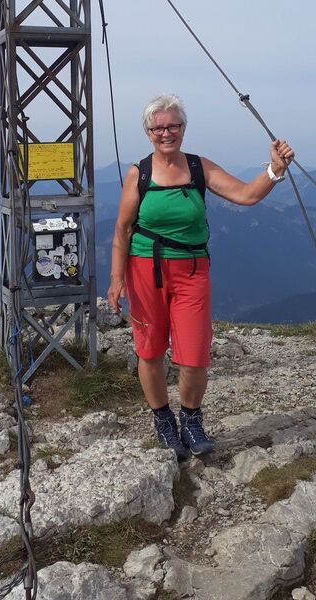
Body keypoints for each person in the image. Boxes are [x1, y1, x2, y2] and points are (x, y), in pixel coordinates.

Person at [107, 93, 294, 460]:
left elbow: (245, 194)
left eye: (173, 125)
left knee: (194, 357)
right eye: (158, 128)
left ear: (183, 128)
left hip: (192, 270)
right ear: (148, 133)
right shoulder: (138, 174)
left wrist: (275, 170)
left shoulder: (198, 168)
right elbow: (122, 229)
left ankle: (191, 420)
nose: (166, 133)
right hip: (145, 269)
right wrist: (117, 279)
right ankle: (163, 421)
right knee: (150, 350)